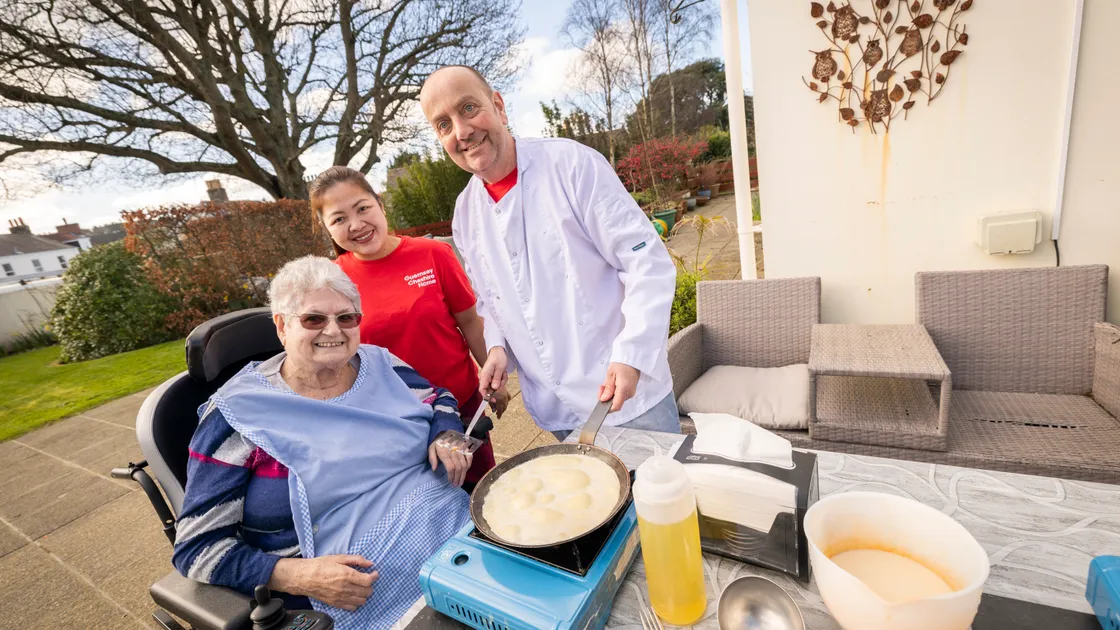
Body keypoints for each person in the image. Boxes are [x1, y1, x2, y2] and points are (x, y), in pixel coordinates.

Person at [172, 256, 472, 629]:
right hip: (357, 588)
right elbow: (196, 549)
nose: (334, 330)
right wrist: (297, 575)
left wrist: (445, 430)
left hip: (458, 536)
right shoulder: (236, 416)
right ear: (281, 325)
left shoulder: (382, 364)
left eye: (347, 318)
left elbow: (437, 397)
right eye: (314, 319)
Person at [419, 65, 680, 441]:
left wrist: (633, 355)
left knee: (662, 499)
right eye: (443, 124)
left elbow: (646, 264)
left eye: (469, 108)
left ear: (498, 106)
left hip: (628, 396)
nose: (461, 131)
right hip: (556, 412)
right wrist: (496, 348)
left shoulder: (572, 165)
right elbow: (491, 301)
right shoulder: (465, 212)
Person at [308, 166, 505, 490]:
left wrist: (492, 375)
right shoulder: (330, 282)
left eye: (362, 208)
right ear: (327, 229)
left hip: (461, 408)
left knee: (484, 495)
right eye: (339, 219)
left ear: (380, 204)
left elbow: (469, 321)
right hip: (393, 422)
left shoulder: (433, 255)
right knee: (423, 508)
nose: (356, 225)